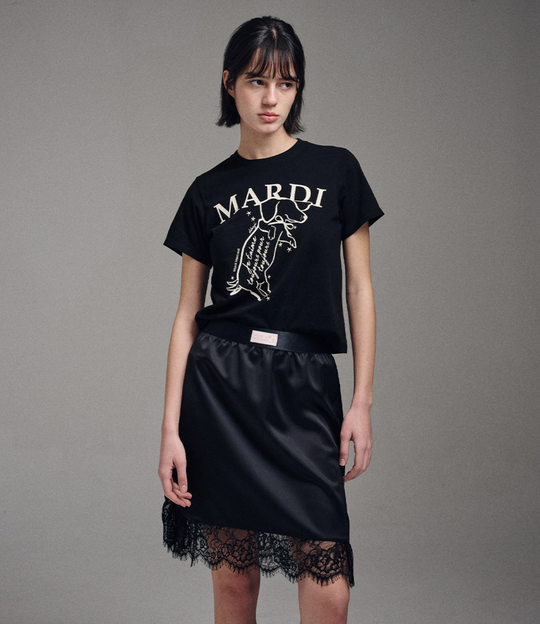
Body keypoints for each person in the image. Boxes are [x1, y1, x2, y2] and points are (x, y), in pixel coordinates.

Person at [158, 16, 383, 624]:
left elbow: (359, 288)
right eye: (257, 81)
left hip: (304, 383)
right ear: (229, 83)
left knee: (328, 584)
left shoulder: (337, 170)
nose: (271, 98)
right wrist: (170, 430)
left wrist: (361, 401)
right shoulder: (207, 190)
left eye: (286, 83)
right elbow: (186, 317)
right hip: (221, 387)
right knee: (234, 586)